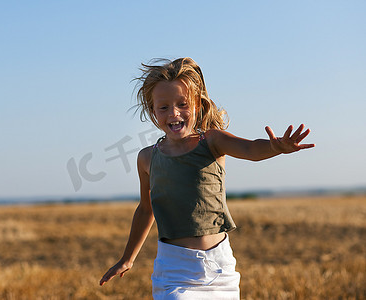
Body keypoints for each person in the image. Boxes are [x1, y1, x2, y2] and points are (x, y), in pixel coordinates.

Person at [99, 57, 315, 299]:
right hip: (174, 270)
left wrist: (277, 148)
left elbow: (252, 150)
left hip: (219, 267)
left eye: (182, 104)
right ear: (152, 111)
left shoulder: (212, 141)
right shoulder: (147, 158)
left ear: (197, 105)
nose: (174, 113)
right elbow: (146, 209)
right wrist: (127, 258)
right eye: (164, 107)